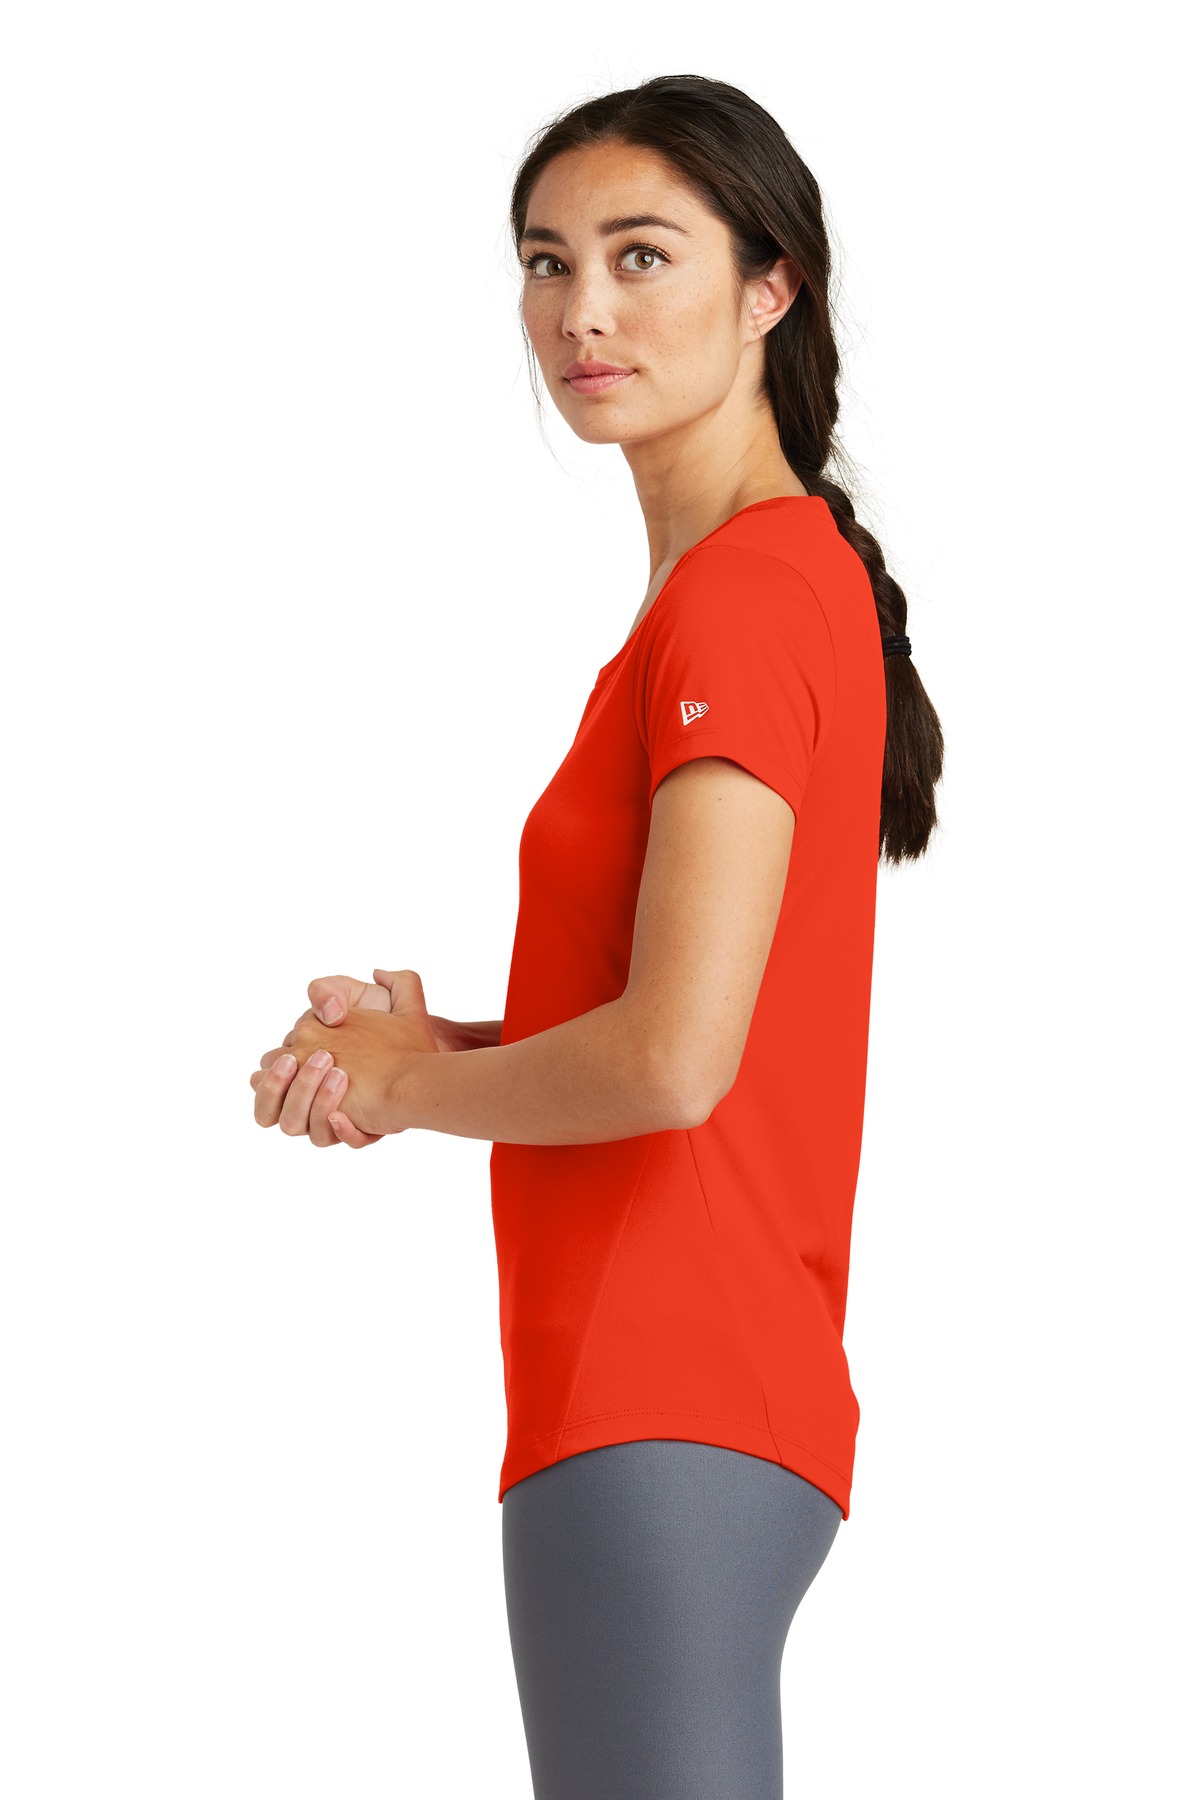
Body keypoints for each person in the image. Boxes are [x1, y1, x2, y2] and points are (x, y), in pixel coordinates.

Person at [250, 73, 944, 1800]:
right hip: (679, 1393)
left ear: (771, 287)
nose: (583, 312)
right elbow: (691, 1013)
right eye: (547, 262)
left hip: (663, 1385)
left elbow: (673, 1062)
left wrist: (398, 1094)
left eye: (642, 256)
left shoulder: (746, 596)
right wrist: (444, 1047)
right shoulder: (745, 590)